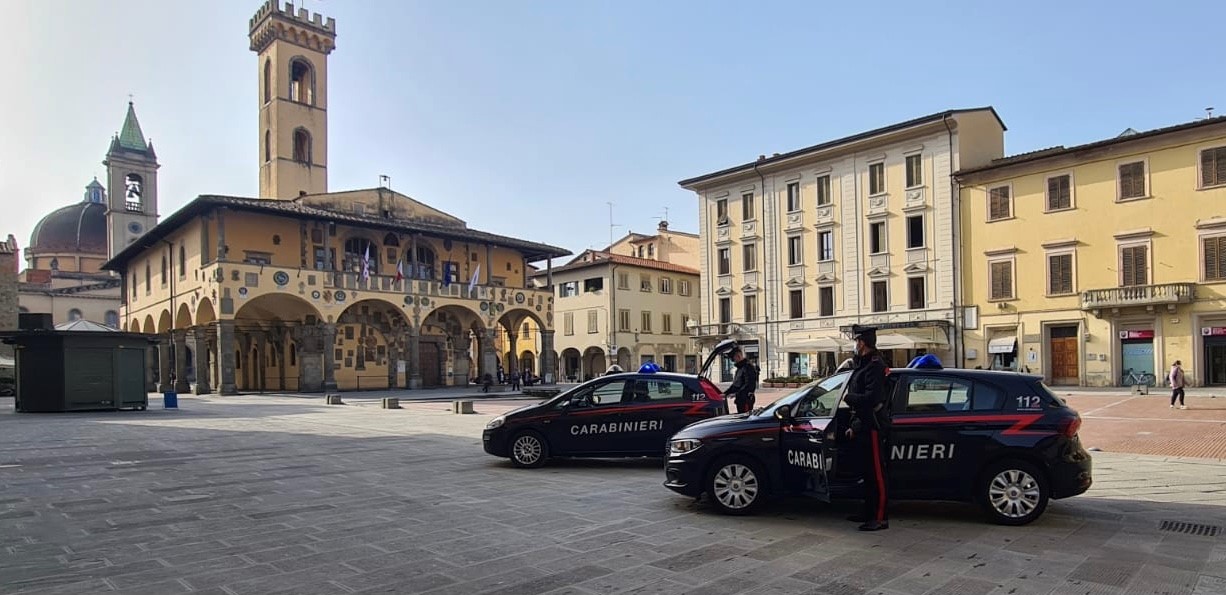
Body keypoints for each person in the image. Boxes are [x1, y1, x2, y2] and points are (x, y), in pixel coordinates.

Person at [842, 325, 890, 531]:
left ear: (863, 342)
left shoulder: (874, 365)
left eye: (857, 341)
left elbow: (871, 398)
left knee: (877, 474)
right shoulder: (863, 364)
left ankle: (879, 518)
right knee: (867, 473)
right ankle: (868, 511)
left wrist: (849, 398)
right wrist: (854, 425)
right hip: (863, 423)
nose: (855, 344)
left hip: (873, 425)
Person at [722, 347, 759, 414]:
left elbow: (749, 385)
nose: (733, 361)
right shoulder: (740, 368)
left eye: (733, 358)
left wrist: (736, 394)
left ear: (738, 356)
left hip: (746, 400)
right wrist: (725, 393)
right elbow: (735, 384)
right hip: (740, 399)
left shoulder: (747, 367)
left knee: (745, 418)